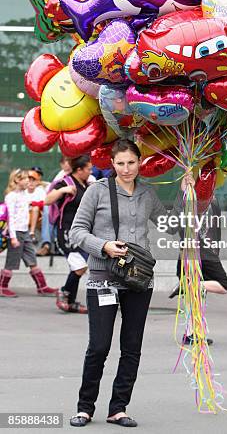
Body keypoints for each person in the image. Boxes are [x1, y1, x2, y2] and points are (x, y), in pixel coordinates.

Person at [68, 139, 193, 428]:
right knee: (99, 346)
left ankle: (118, 408)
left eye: (131, 163)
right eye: (120, 163)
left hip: (138, 279)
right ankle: (85, 407)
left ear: (140, 162)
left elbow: (171, 226)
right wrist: (104, 246)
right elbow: (77, 231)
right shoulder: (97, 191)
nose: (126, 169)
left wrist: (184, 194)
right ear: (112, 164)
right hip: (103, 278)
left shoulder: (148, 193)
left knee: (132, 346)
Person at [168, 196, 227, 345]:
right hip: (198, 253)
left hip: (193, 253)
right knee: (223, 286)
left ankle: (192, 333)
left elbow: (215, 230)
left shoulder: (208, 200)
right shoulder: (192, 199)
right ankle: (190, 286)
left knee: (197, 296)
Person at [45, 155, 93, 314]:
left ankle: (69, 300)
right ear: (79, 170)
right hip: (66, 232)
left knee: (81, 266)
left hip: (82, 232)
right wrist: (62, 190)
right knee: (80, 265)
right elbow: (47, 200)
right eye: (88, 169)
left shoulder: (86, 184)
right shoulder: (65, 182)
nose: (91, 171)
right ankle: (64, 293)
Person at [0, 169, 57, 298]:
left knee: (31, 258)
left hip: (25, 232)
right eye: (25, 178)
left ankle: (42, 287)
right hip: (17, 233)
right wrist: (13, 237)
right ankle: (2, 287)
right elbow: (11, 219)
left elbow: (39, 194)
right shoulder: (11, 196)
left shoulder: (24, 194)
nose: (28, 181)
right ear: (16, 180)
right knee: (12, 261)